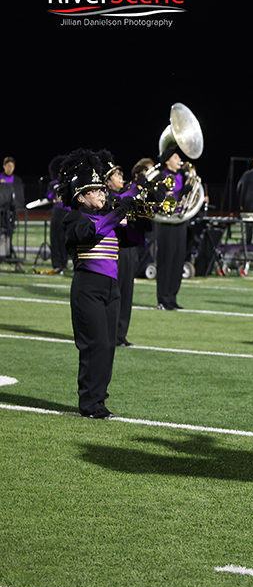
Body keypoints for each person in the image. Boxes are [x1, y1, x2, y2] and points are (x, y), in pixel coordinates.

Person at [60, 149, 148, 418]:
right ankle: (88, 403)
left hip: (112, 288)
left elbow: (137, 239)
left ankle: (99, 401)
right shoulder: (74, 218)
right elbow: (92, 232)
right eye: (95, 191)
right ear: (81, 196)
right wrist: (120, 208)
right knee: (94, 345)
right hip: (88, 289)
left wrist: (141, 211)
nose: (101, 194)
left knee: (109, 346)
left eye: (102, 190)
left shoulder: (109, 218)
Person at [100, 151, 143, 347]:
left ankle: (120, 335)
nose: (121, 178)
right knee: (114, 293)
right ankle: (109, 333)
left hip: (130, 248)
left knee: (127, 293)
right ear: (107, 181)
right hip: (114, 249)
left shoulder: (127, 195)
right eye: (117, 175)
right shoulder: (106, 198)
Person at [153, 149, 188, 310]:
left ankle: (172, 297)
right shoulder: (162, 177)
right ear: (167, 161)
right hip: (166, 223)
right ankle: (162, 298)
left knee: (178, 260)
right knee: (166, 260)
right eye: (175, 157)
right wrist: (181, 192)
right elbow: (164, 198)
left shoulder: (184, 176)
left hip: (181, 222)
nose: (179, 159)